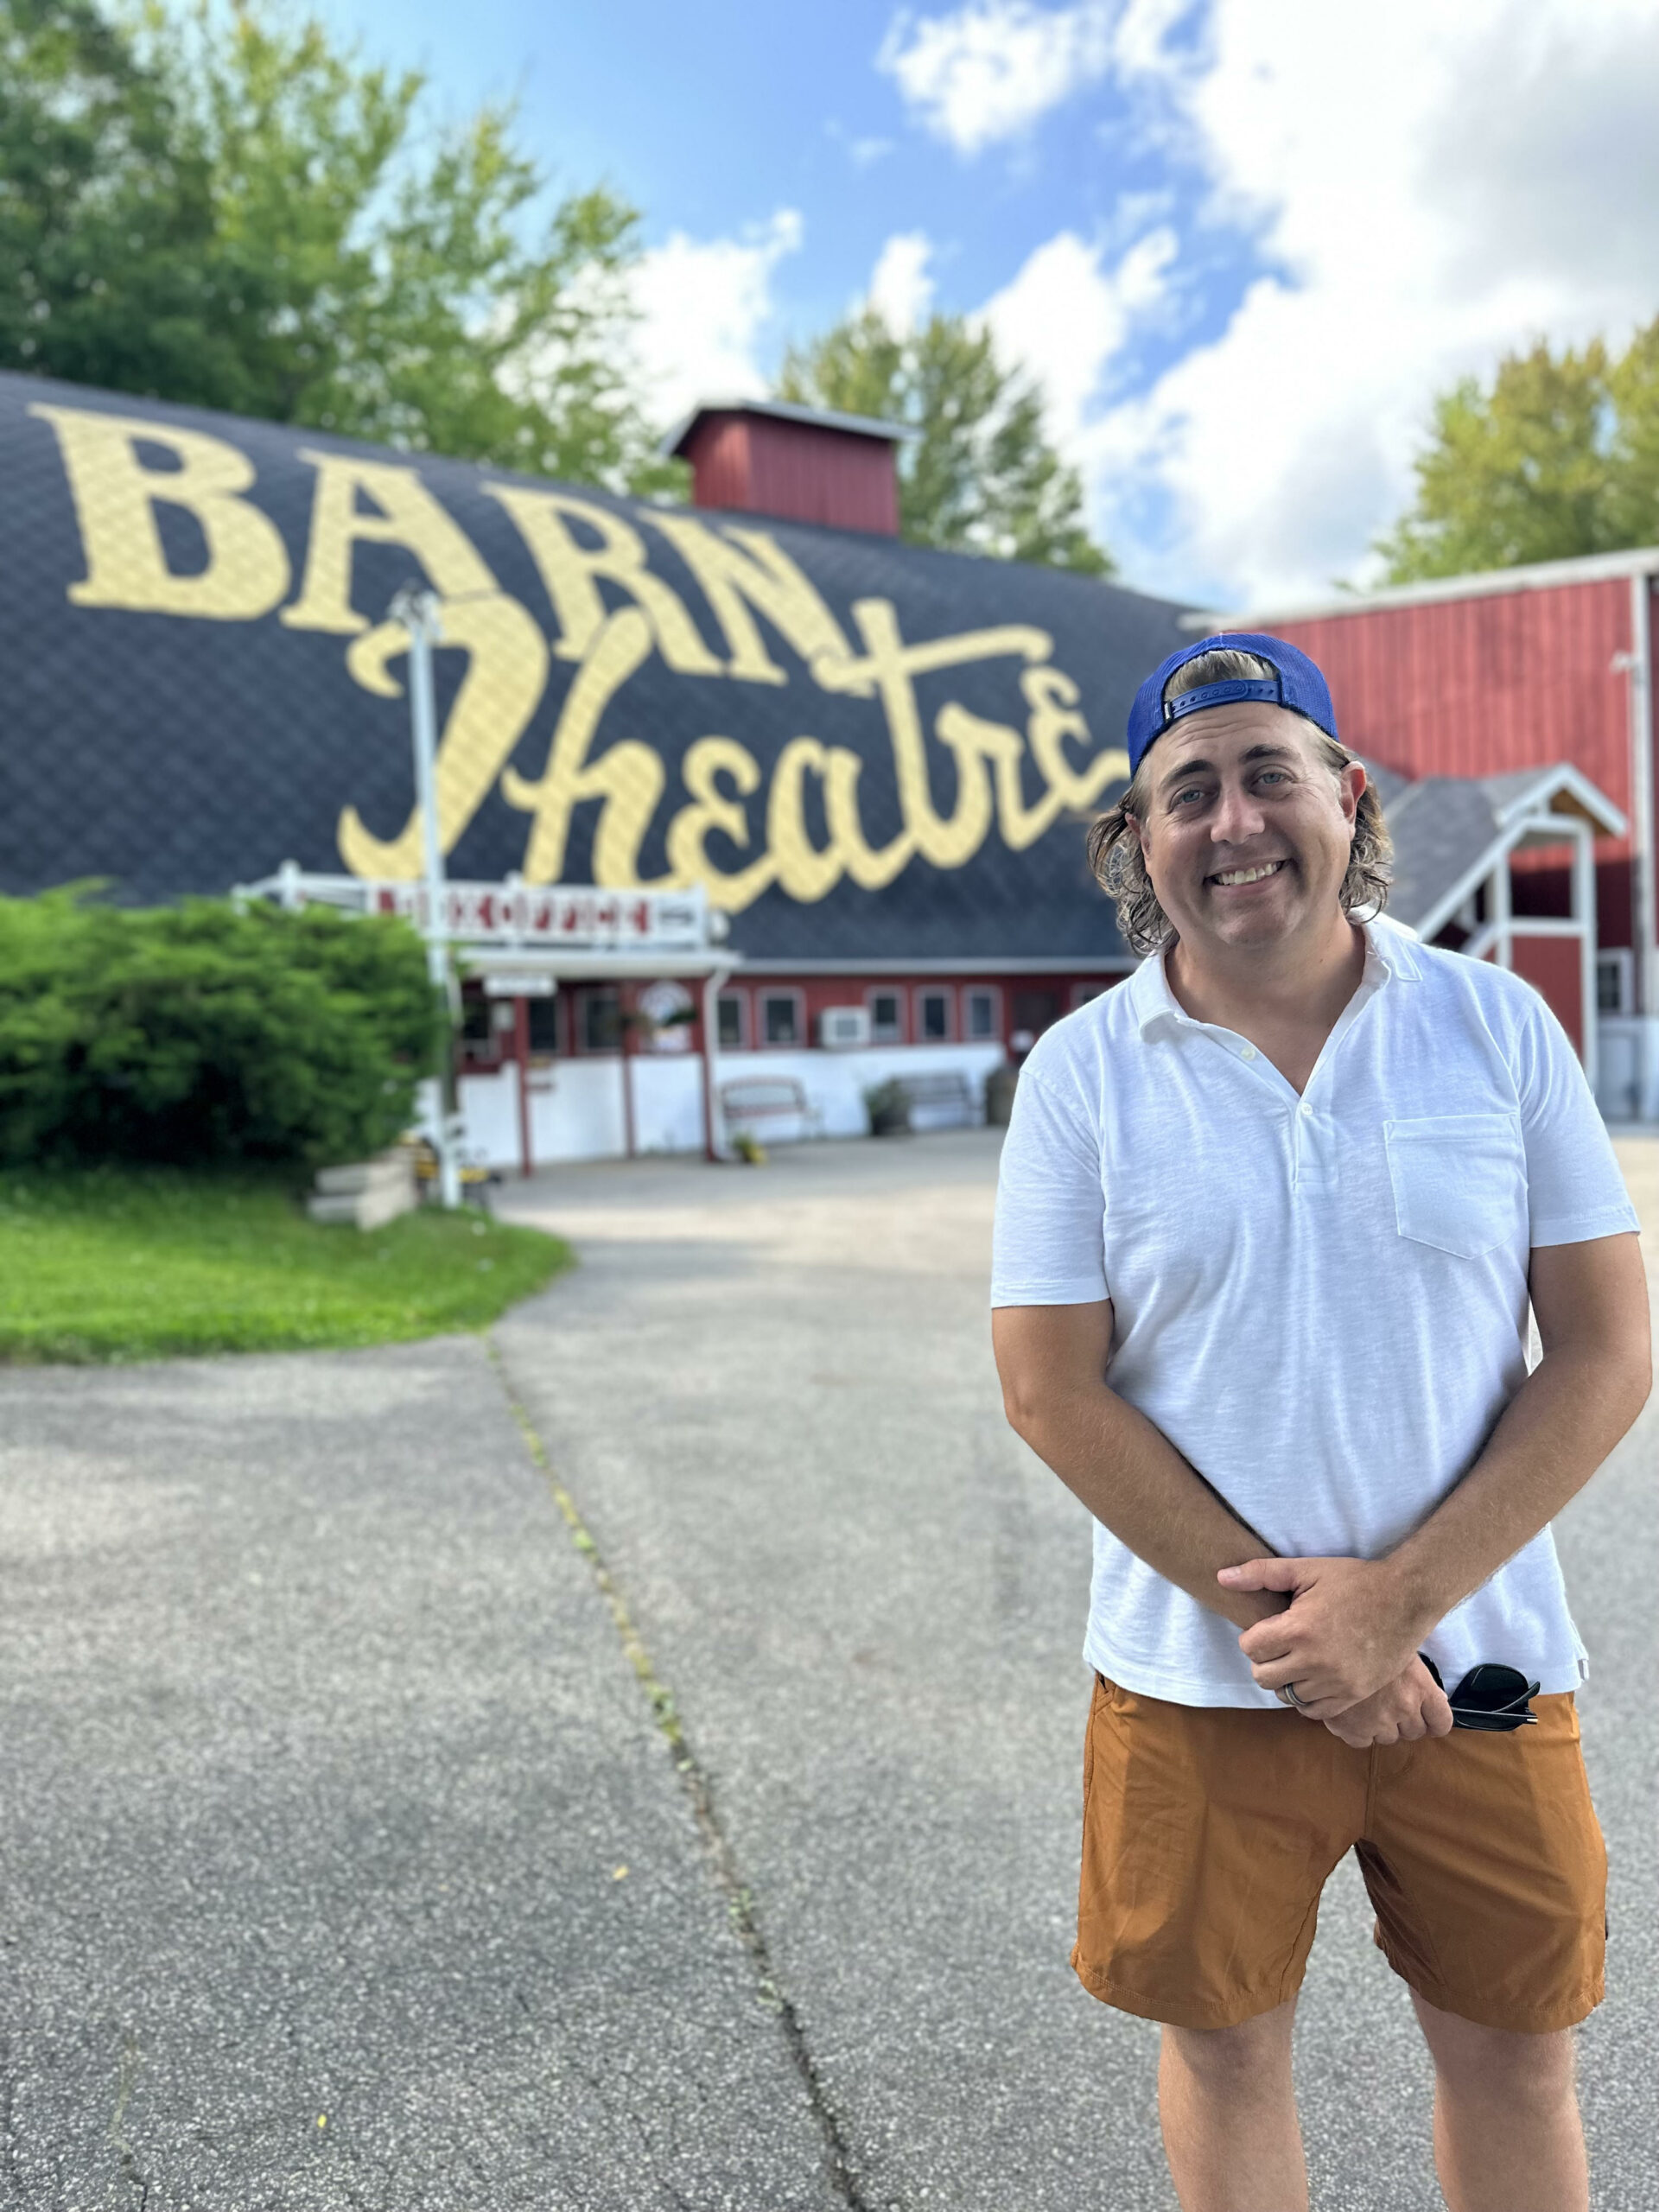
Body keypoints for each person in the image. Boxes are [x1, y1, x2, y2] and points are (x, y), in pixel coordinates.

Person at [989, 633, 1650, 2212]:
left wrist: (1396, 1609)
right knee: (1225, 2055)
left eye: (1268, 773)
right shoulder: (1080, 1076)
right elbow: (1047, 1386)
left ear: (1349, 798)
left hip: (1482, 1671)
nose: (1234, 822)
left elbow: (1611, 1349)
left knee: (1512, 2056)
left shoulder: (1498, 1032)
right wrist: (1311, 1637)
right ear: (1138, 845)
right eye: (1188, 792)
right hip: (1197, 1686)